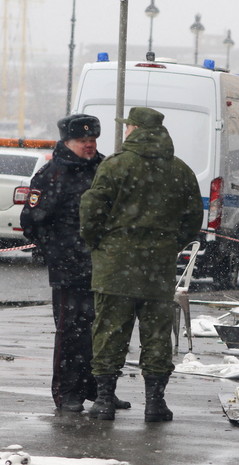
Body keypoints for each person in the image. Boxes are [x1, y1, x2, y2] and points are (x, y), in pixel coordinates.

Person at [79, 107, 203, 422]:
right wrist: (169, 246)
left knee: (109, 332)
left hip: (115, 267)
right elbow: (192, 220)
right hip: (157, 269)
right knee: (157, 336)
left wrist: (98, 244)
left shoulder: (115, 166)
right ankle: (155, 403)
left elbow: (92, 210)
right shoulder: (180, 170)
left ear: (134, 129)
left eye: (127, 127)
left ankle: (104, 400)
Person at [19, 114, 130, 413]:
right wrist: (56, 250)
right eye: (83, 141)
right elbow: (32, 220)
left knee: (103, 332)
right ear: (67, 142)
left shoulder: (106, 169)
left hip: (104, 266)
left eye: (92, 140)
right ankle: (68, 392)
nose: (89, 145)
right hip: (68, 268)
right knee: (71, 334)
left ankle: (100, 390)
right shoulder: (50, 175)